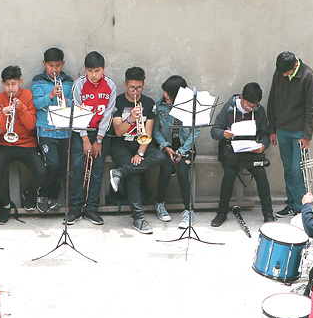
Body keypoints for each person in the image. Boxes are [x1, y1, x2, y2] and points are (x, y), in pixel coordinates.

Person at [107, 67, 168, 234]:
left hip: (141, 143)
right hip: (121, 144)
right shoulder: (118, 102)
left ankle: (120, 172)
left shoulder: (148, 104)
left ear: (143, 85)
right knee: (134, 174)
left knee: (159, 156)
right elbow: (118, 131)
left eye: (139, 87)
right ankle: (138, 218)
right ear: (125, 84)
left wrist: (140, 153)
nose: (135, 91)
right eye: (131, 87)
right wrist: (131, 119)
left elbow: (147, 133)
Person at [209, 82, 275, 227]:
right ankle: (222, 212)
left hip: (251, 149)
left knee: (260, 172)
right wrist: (223, 133)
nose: (250, 108)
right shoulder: (229, 107)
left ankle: (268, 213)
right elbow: (214, 131)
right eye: (248, 105)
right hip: (231, 149)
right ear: (241, 98)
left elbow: (264, 133)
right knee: (229, 173)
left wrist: (262, 146)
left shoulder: (259, 110)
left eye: (254, 106)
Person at [64, 52, 117, 226]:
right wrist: (86, 139)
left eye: (97, 70)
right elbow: (77, 113)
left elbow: (108, 114)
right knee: (78, 167)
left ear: (104, 68)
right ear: (85, 69)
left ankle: (92, 208)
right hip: (82, 132)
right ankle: (75, 208)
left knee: (97, 168)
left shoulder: (110, 85)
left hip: (100, 132)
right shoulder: (78, 85)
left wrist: (99, 139)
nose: (93, 75)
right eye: (89, 70)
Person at [0, 65, 45, 225]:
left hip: (27, 144)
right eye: (7, 84)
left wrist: (21, 109)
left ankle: (29, 192)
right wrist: (3, 114)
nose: (10, 88)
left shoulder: (28, 96)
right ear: (2, 84)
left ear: (20, 82)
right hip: (5, 144)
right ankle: (5, 204)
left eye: (13, 84)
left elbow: (31, 125)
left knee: (41, 171)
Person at [267, 51, 313, 217]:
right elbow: (272, 100)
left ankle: (301, 208)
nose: (283, 75)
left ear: (295, 65)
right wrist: (272, 129)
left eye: (286, 72)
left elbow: (311, 107)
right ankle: (291, 205)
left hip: (299, 132)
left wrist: (307, 136)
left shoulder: (307, 75)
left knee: (298, 170)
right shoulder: (280, 72)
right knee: (288, 169)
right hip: (281, 129)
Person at [151, 74, 200, 229]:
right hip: (166, 148)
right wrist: (166, 147)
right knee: (165, 169)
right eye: (164, 92)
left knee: (182, 172)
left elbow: (195, 132)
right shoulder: (160, 106)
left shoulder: (192, 107)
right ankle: (159, 203)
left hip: (186, 148)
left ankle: (188, 210)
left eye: (168, 93)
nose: (165, 96)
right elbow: (156, 130)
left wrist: (182, 151)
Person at [30, 47, 75, 213]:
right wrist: (50, 95)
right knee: (52, 164)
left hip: (64, 130)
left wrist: (65, 99)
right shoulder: (38, 80)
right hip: (46, 130)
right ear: (44, 64)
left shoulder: (69, 81)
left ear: (62, 64)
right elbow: (37, 104)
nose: (54, 69)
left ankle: (53, 197)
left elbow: (73, 104)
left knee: (62, 167)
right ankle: (42, 193)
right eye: (51, 65)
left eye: (57, 65)